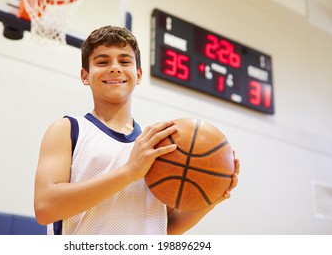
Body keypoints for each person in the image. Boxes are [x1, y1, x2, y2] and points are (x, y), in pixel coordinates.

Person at [34, 25, 240, 235]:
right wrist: (130, 171)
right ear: (85, 76)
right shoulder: (68, 129)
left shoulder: (157, 143)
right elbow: (45, 208)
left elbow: (163, 227)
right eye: (102, 61)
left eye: (124, 61)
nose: (115, 68)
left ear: (138, 74)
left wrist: (212, 197)